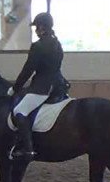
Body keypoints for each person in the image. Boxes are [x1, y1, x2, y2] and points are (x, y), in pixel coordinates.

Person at [8, 11, 68, 160]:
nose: (35, 30)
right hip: (58, 85)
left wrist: (15, 88)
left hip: (42, 87)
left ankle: (27, 149)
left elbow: (28, 70)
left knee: (19, 111)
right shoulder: (57, 43)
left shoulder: (38, 46)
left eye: (36, 27)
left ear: (41, 27)